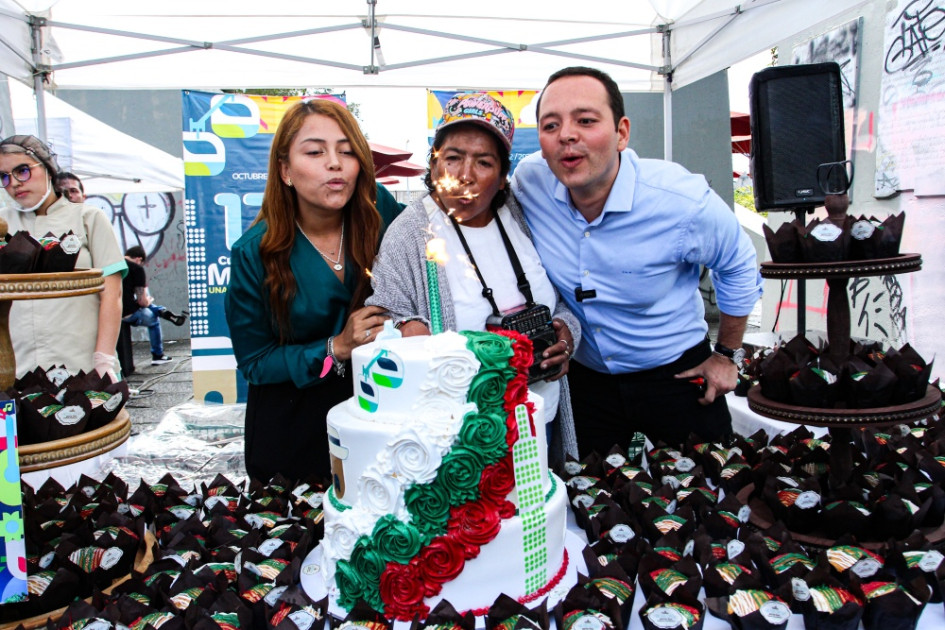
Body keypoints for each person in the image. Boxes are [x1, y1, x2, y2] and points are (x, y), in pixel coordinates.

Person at [511, 67, 763, 453]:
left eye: (586, 120)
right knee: (592, 499)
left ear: (622, 132)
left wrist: (727, 355)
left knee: (708, 494)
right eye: (550, 125)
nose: (567, 135)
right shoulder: (530, 183)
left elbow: (739, 264)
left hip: (679, 376)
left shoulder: (680, 202)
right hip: (587, 380)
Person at [366, 92, 581, 465]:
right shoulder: (410, 233)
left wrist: (565, 331)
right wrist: (404, 329)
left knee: (537, 517)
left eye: (483, 162)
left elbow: (562, 299)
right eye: (452, 158)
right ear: (434, 167)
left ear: (501, 178)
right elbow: (380, 322)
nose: (464, 175)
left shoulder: (523, 216)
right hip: (460, 437)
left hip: (538, 417)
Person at [225, 99, 403, 483]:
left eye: (346, 150)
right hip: (294, 428)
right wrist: (335, 347)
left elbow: (438, 235)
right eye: (315, 151)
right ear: (285, 170)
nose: (335, 163)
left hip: (379, 413)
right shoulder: (254, 252)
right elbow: (254, 362)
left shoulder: (381, 213)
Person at [0, 135, 126, 380]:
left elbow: (112, 294)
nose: (14, 183)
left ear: (47, 168)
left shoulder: (88, 218)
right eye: (4, 177)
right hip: (16, 366)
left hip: (81, 362)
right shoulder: (2, 224)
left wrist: (103, 359)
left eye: (22, 171)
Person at [122, 245, 188, 366]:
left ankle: (160, 310)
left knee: (149, 308)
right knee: (153, 318)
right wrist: (148, 301)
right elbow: (142, 301)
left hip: (112, 310)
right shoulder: (136, 269)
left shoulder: (115, 264)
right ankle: (158, 355)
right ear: (139, 259)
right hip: (128, 313)